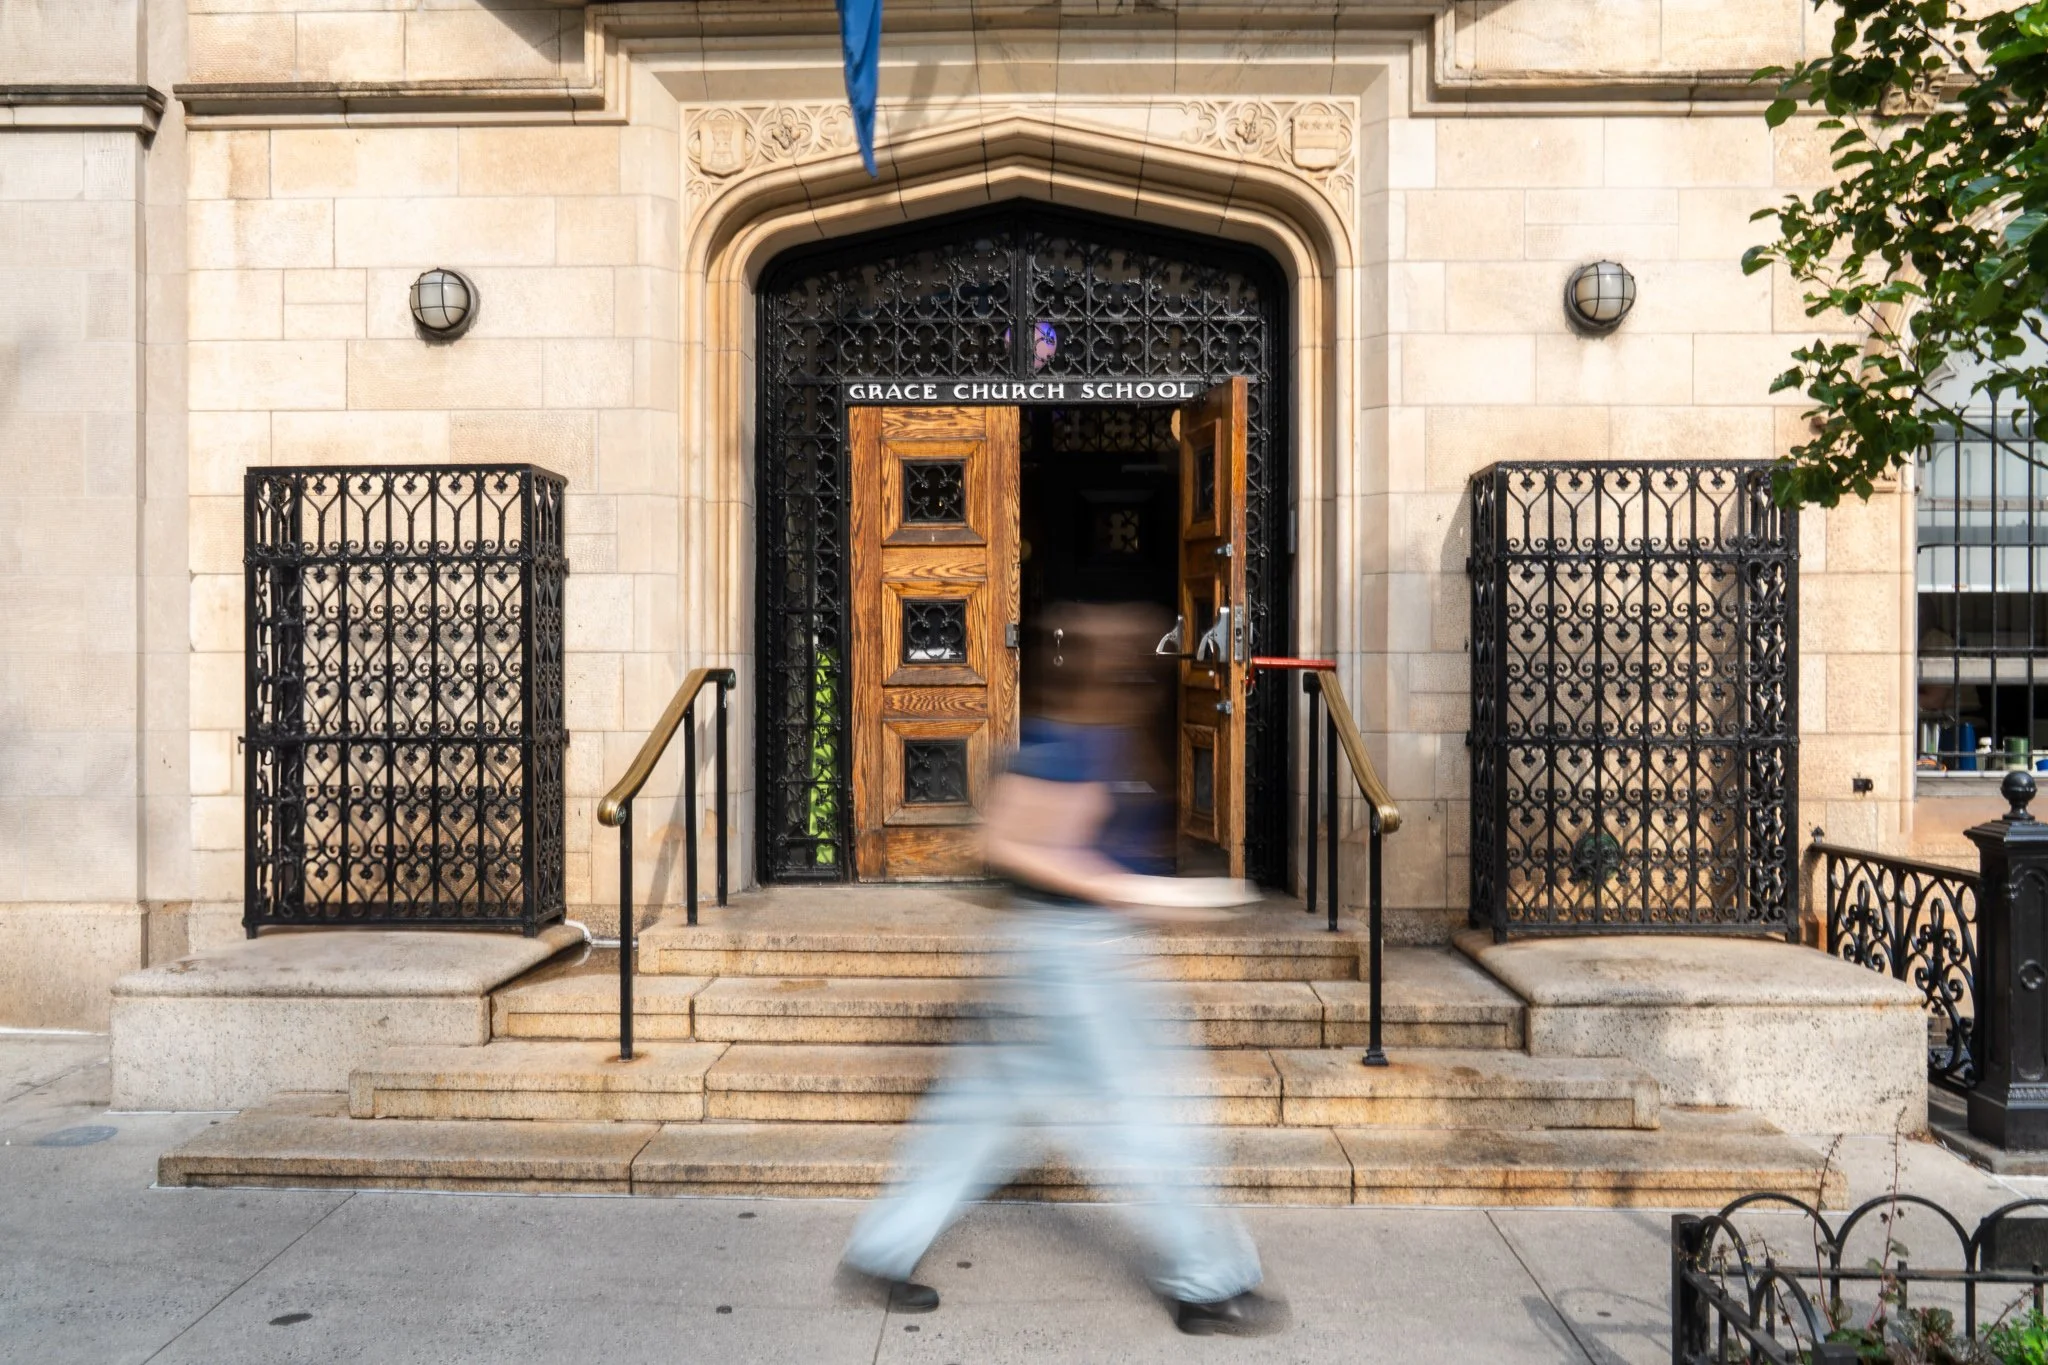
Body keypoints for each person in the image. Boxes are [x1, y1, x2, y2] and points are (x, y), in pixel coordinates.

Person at [837, 603, 1287, 1337]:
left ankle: (882, 1249)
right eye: (1135, 654)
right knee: (1149, 1116)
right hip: (1076, 963)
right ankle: (1210, 1283)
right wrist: (1141, 890)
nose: (1150, 664)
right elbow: (1010, 846)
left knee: (975, 1116)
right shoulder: (1070, 744)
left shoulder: (1097, 739)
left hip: (1058, 956)